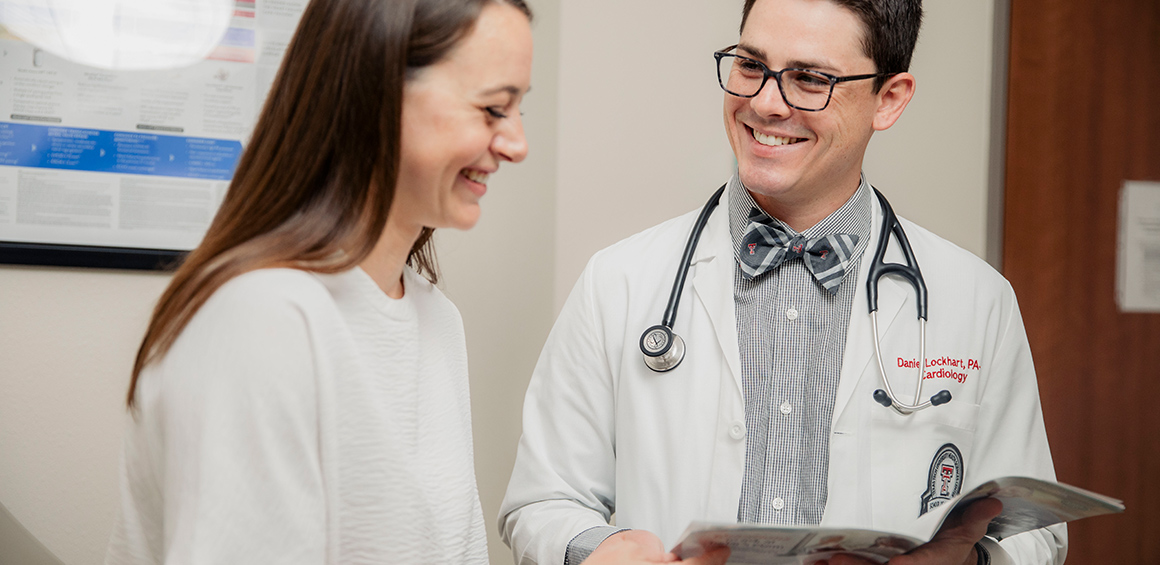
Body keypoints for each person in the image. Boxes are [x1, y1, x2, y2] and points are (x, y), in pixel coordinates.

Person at [103, 0, 729, 562]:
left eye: (518, 109)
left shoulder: (431, 317)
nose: (516, 143)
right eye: (492, 108)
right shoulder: (263, 319)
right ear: (377, 94)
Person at [498, 1, 1066, 565]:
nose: (767, 104)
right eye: (750, 65)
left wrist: (968, 563)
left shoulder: (976, 300)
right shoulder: (619, 282)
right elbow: (544, 503)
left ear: (888, 99)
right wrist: (602, 551)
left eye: (810, 79)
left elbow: (1031, 534)